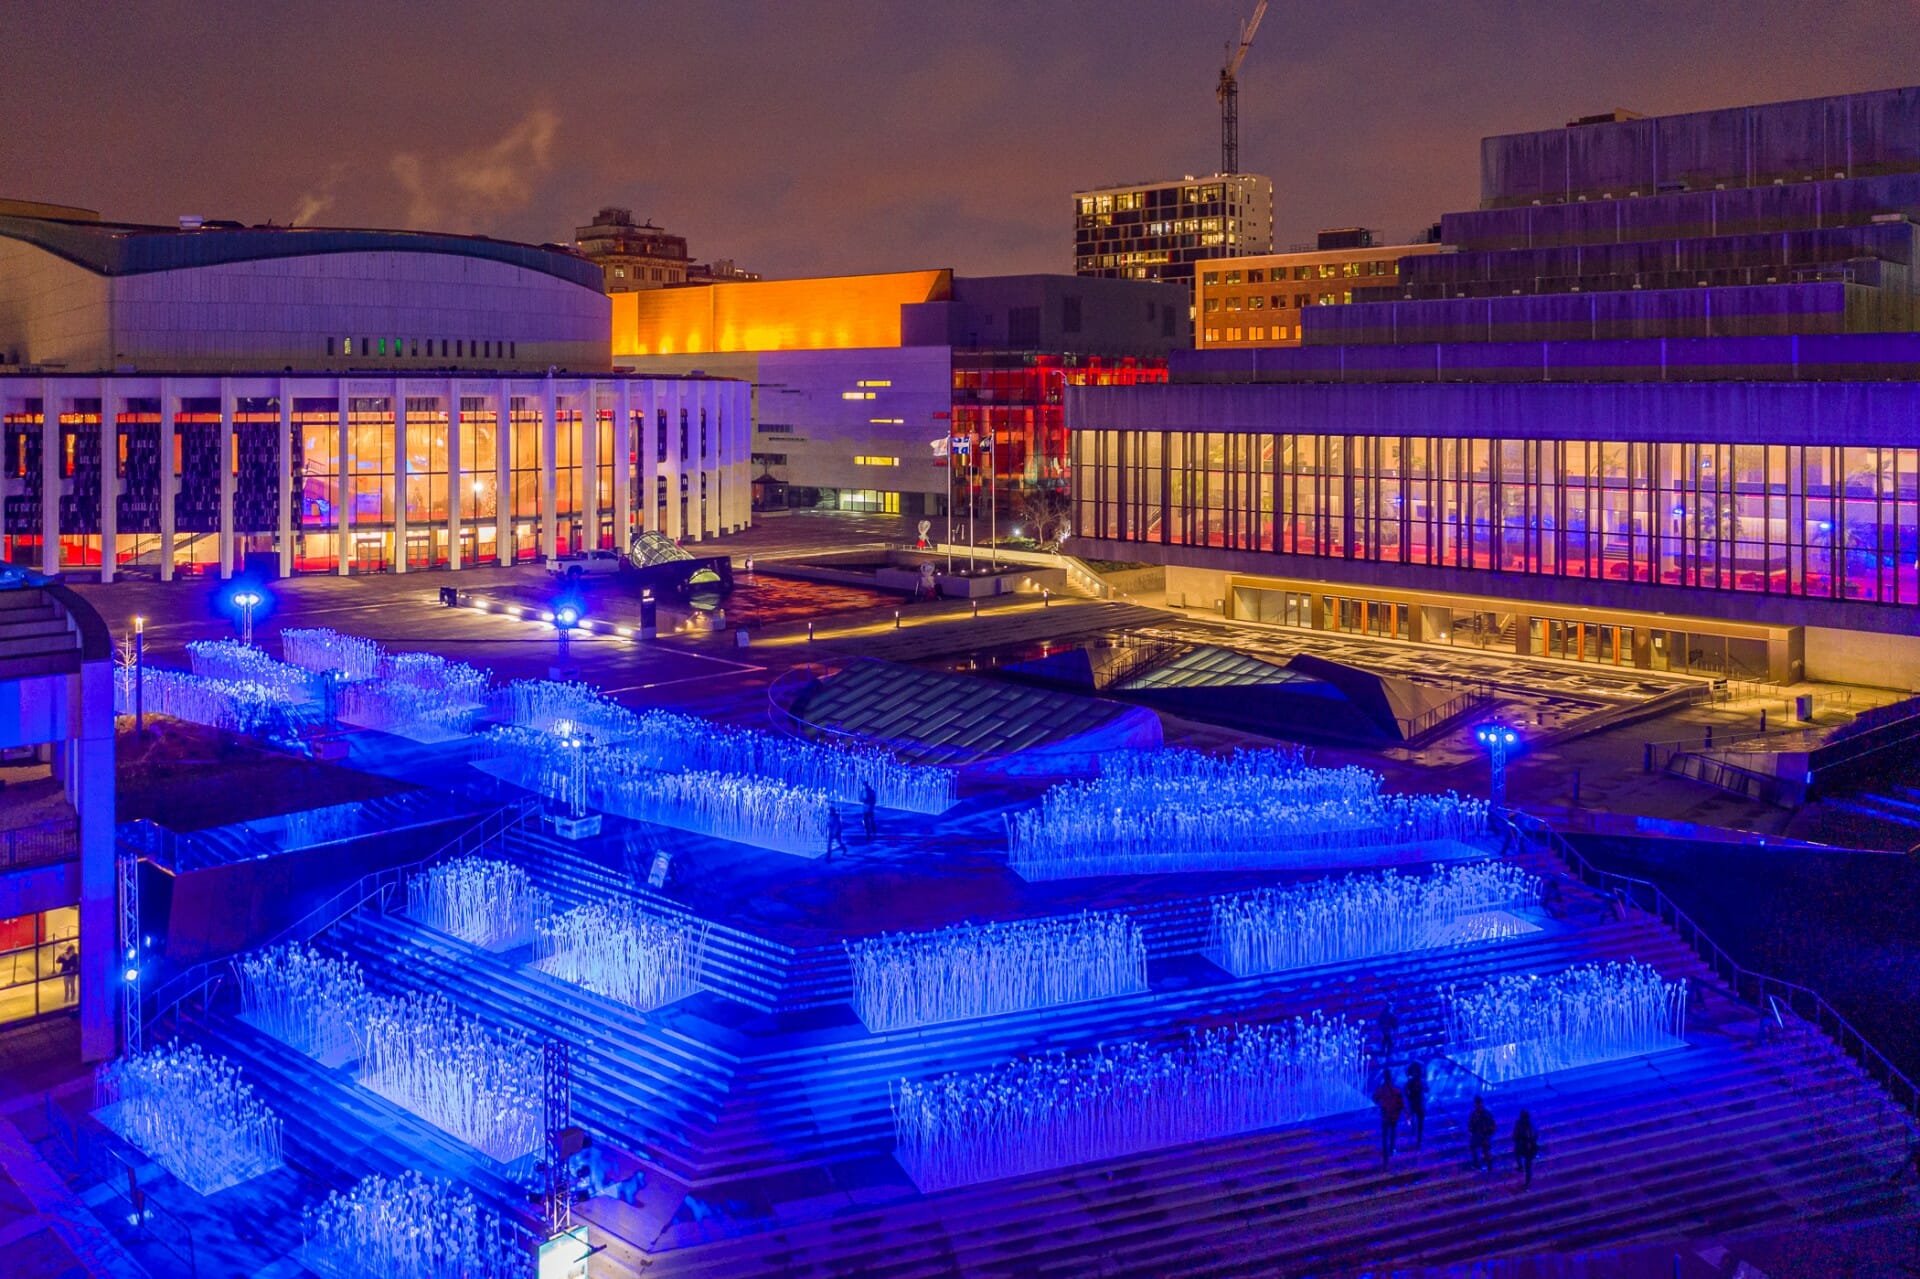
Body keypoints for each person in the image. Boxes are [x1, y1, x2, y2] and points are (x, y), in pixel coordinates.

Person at [1372, 1073, 1405, 1164]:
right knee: (1393, 1132)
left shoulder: (1381, 1089)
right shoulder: (1396, 1089)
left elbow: (1375, 1099)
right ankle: (1392, 1149)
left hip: (1385, 1114)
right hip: (1394, 1114)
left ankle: (1385, 1153)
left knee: (1385, 1134)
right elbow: (1401, 1102)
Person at [1512, 1109, 1540, 1186]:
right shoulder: (1522, 1124)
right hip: (1524, 1146)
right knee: (1518, 1156)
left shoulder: (1528, 1125)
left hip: (1528, 1148)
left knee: (1528, 1166)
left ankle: (1527, 1184)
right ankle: (1521, 1168)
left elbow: (1533, 1135)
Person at [1467, 1095, 1496, 1172]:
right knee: (1486, 1151)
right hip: (1484, 1135)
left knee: (1478, 1149)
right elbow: (1493, 1124)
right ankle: (1489, 1167)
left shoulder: (1475, 1114)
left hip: (1480, 1135)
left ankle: (1478, 1164)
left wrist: (1473, 1131)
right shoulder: (1486, 1112)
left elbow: (1470, 1126)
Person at [1403, 1061, 1427, 1148]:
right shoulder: (1412, 1082)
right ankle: (1414, 1130)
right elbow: (1405, 1091)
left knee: (1420, 1123)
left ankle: (1419, 1142)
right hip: (1415, 1103)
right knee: (1414, 1119)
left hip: (1418, 1104)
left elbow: (1427, 1089)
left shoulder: (1420, 1081)